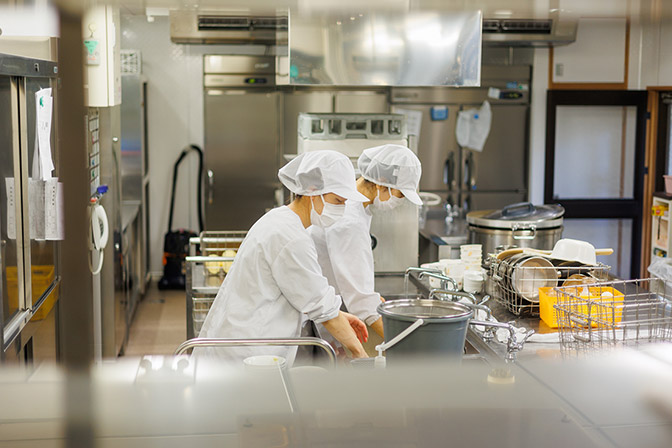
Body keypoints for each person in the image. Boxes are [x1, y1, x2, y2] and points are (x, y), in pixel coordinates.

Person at [196, 150, 370, 365]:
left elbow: (305, 295)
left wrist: (341, 316)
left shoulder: (281, 221)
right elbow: (320, 305)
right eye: (337, 200)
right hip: (248, 351)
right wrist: (361, 355)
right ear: (312, 191)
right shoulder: (291, 238)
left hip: (243, 340)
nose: (341, 209)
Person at [309, 144, 422, 338]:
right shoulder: (348, 220)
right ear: (382, 183)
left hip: (324, 305)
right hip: (319, 313)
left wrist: (371, 298)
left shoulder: (355, 206)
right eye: (400, 194)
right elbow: (363, 306)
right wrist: (403, 345)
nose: (400, 202)